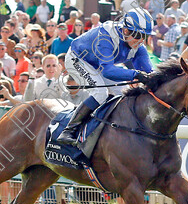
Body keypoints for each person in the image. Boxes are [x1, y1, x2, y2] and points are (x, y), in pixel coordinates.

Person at [57, 8, 155, 146]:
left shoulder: (139, 47)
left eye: (145, 36)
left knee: (124, 93)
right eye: (139, 35)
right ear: (126, 31)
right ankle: (69, 130)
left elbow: (149, 73)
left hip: (98, 64)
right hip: (77, 59)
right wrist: (135, 74)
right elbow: (108, 71)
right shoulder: (106, 38)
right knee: (100, 92)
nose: (141, 41)